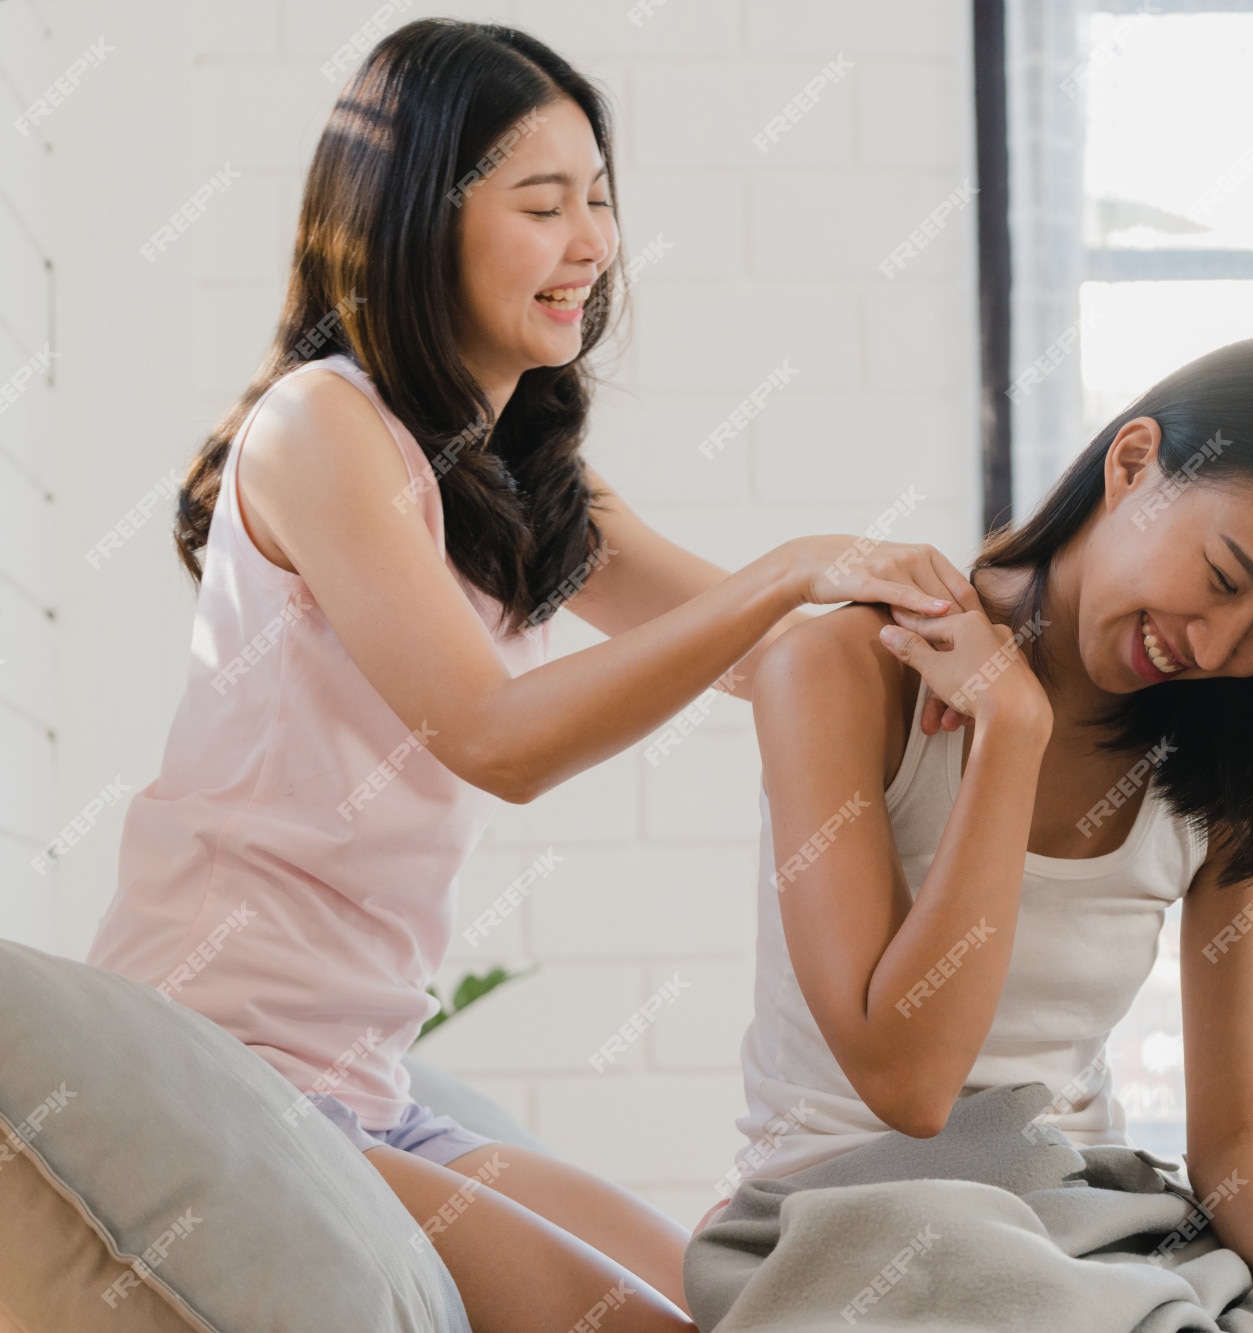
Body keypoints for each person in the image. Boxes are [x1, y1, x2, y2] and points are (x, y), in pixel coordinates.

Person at [85, 20, 973, 1333]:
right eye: (544, 204)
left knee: (733, 1302)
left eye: (601, 201)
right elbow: (498, 736)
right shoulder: (323, 426)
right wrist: (790, 568)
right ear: (414, 222)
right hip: (223, 1074)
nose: (593, 246)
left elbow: (766, 657)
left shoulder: (522, 479)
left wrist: (971, 664)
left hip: (365, 1088)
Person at [700, 332, 1253, 1333]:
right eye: (1221, 576)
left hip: (1081, 1223)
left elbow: (1240, 1141)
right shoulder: (841, 670)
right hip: (855, 1223)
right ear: (1133, 466)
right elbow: (908, 1083)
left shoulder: (1222, 774)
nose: (1213, 646)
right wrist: (1011, 730)